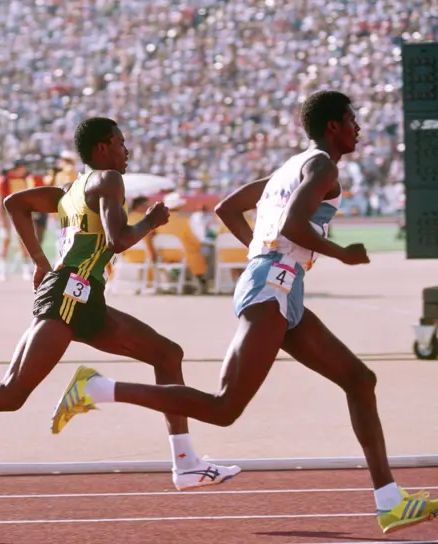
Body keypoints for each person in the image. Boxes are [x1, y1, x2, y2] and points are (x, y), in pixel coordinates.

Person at [51, 92, 438, 535]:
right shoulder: (322, 167)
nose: (358, 127)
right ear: (333, 126)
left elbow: (227, 207)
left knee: (359, 379)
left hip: (279, 283)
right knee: (223, 408)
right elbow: (292, 225)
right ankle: (98, 388)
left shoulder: (289, 169)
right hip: (273, 284)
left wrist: (261, 250)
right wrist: (337, 253)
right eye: (352, 119)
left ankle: (389, 501)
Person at [0, 117, 241, 491]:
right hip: (69, 294)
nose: (126, 151)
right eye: (121, 143)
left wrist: (39, 261)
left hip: (83, 296)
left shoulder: (70, 190)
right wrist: (151, 221)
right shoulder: (108, 180)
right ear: (103, 148)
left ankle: (185, 462)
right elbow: (117, 240)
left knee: (166, 354)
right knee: (11, 392)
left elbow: (15, 203)